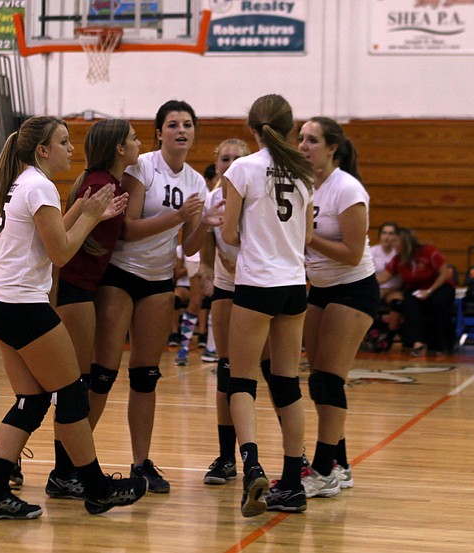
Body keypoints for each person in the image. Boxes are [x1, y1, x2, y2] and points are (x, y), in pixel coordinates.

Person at [0, 116, 146, 520]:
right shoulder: (41, 187)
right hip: (21, 306)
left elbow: (50, 237)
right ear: (42, 150)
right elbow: (61, 255)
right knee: (70, 394)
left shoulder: (24, 183)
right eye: (64, 142)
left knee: (31, 400)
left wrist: (90, 215)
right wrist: (90, 214)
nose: (72, 148)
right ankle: (97, 487)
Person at [90, 100, 220, 493]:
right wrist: (179, 218)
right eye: (173, 124)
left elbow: (190, 246)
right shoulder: (142, 166)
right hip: (121, 274)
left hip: (159, 280)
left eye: (188, 124)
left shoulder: (197, 182)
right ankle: (71, 461)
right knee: (102, 374)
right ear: (159, 132)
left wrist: (206, 225)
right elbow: (126, 230)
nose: (182, 130)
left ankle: (140, 463)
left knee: (146, 376)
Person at [221, 94, 315, 517]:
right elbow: (307, 235)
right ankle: (292, 483)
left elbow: (230, 234)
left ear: (252, 129)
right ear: (290, 127)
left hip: (258, 283)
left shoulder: (242, 169)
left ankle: (252, 464)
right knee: (288, 384)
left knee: (241, 381)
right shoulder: (304, 171)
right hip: (295, 284)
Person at [43, 119, 140, 500]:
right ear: (118, 148)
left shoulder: (107, 183)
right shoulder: (99, 185)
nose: (137, 144)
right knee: (74, 389)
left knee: (70, 387)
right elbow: (63, 241)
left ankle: (43, 465)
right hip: (74, 291)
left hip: (82, 290)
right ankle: (63, 473)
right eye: (132, 138)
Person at [298, 116, 379, 499]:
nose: (303, 145)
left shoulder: (347, 189)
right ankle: (340, 463)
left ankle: (324, 469)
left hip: (354, 288)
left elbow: (350, 254)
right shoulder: (301, 185)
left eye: (312, 140)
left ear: (333, 148)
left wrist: (309, 238)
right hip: (321, 288)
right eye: (300, 138)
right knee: (318, 379)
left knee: (330, 378)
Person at [198, 138, 251, 484]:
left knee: (271, 372)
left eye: (237, 159)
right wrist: (207, 269)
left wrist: (243, 264)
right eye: (224, 158)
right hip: (226, 289)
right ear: (216, 165)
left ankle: (297, 454)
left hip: (260, 287)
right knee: (226, 370)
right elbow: (205, 246)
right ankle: (226, 457)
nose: (230, 164)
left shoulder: (257, 195)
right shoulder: (212, 199)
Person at [377, 227, 456, 356]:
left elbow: (444, 274)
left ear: (405, 242)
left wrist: (429, 291)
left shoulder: (429, 252)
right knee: (409, 302)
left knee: (439, 303)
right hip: (416, 289)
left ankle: (441, 345)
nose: (393, 245)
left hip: (439, 286)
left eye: (395, 242)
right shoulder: (398, 258)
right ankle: (417, 343)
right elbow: (385, 276)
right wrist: (367, 285)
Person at [369, 222, 402, 351]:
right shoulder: (372, 251)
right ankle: (373, 331)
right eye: (384, 233)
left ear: (396, 236)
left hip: (395, 288)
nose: (387, 237)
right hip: (376, 287)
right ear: (379, 235)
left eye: (391, 233)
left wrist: (388, 289)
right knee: (368, 301)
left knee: (398, 303)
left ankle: (389, 336)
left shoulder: (398, 253)